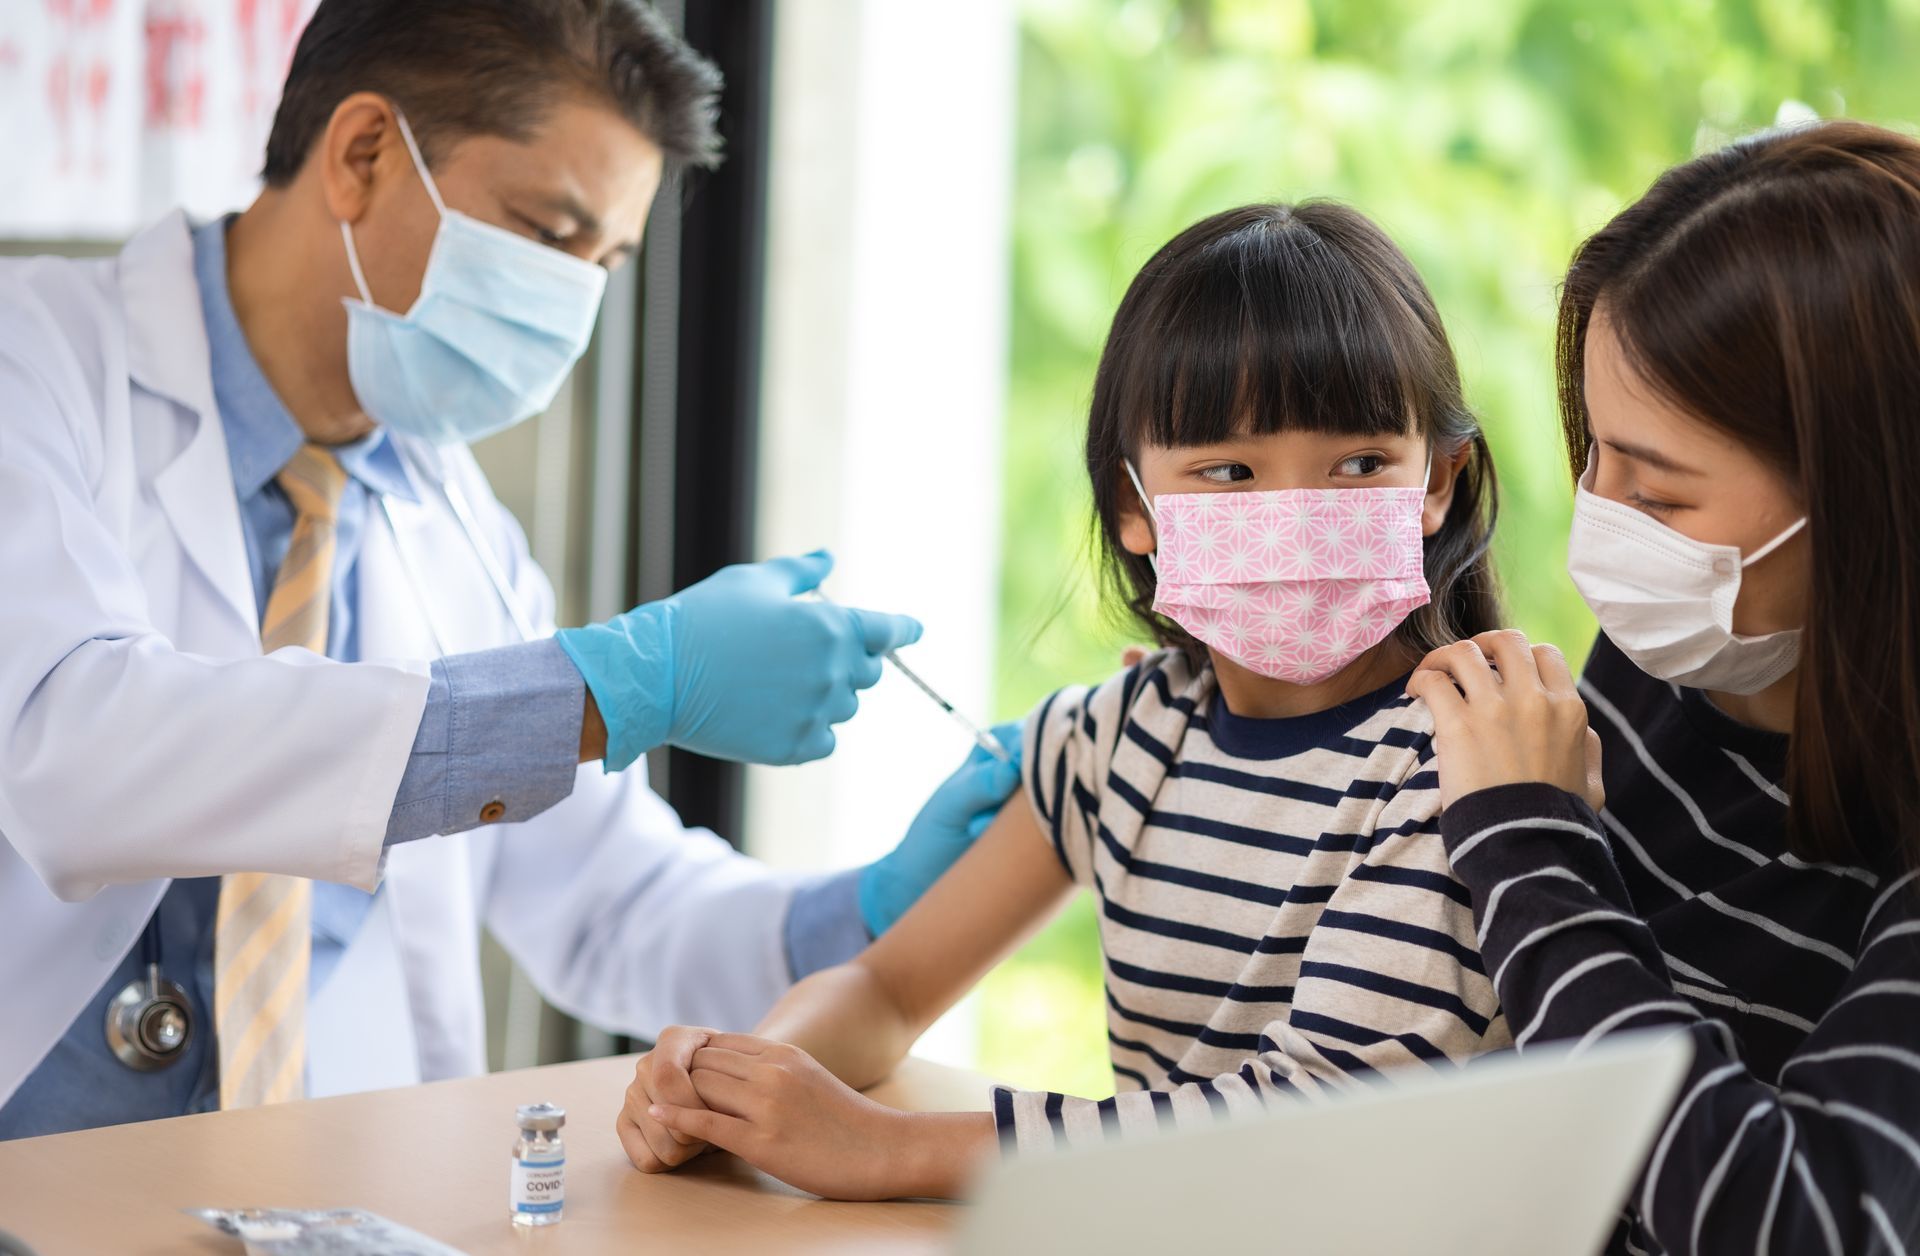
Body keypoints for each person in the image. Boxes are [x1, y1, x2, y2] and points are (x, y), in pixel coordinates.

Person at [0, 0, 1002, 1138]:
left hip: (302, 1196)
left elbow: (607, 900)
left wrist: (867, 912)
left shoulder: (449, 517)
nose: (573, 303)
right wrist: (603, 687)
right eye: (546, 234)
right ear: (363, 154)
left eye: (607, 262)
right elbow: (71, 747)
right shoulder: (29, 365)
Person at [614, 201, 1516, 1199]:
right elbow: (885, 985)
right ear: (1133, 504)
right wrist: (742, 1080)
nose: (1291, 514)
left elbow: (1303, 1126)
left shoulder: (1475, 751)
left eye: (1358, 465)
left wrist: (883, 1145)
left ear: (1437, 480)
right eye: (1229, 470)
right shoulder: (1115, 737)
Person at [1405, 120, 1920, 1252]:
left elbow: (1804, 1219)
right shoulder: (1671, 658)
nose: (1604, 523)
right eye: (1594, 454)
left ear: (1870, 503)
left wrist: (1527, 841)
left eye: (1663, 497)